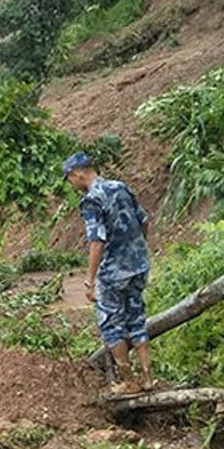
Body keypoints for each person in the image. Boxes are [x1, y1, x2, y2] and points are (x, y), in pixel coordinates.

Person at [63, 151, 154, 394]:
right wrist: (137, 250)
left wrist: (89, 280)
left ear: (78, 173)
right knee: (136, 319)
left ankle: (128, 380)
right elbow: (144, 221)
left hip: (114, 272)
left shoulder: (92, 200)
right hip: (138, 266)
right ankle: (147, 378)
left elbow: (97, 241)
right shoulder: (120, 187)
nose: (72, 185)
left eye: (70, 179)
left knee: (111, 325)